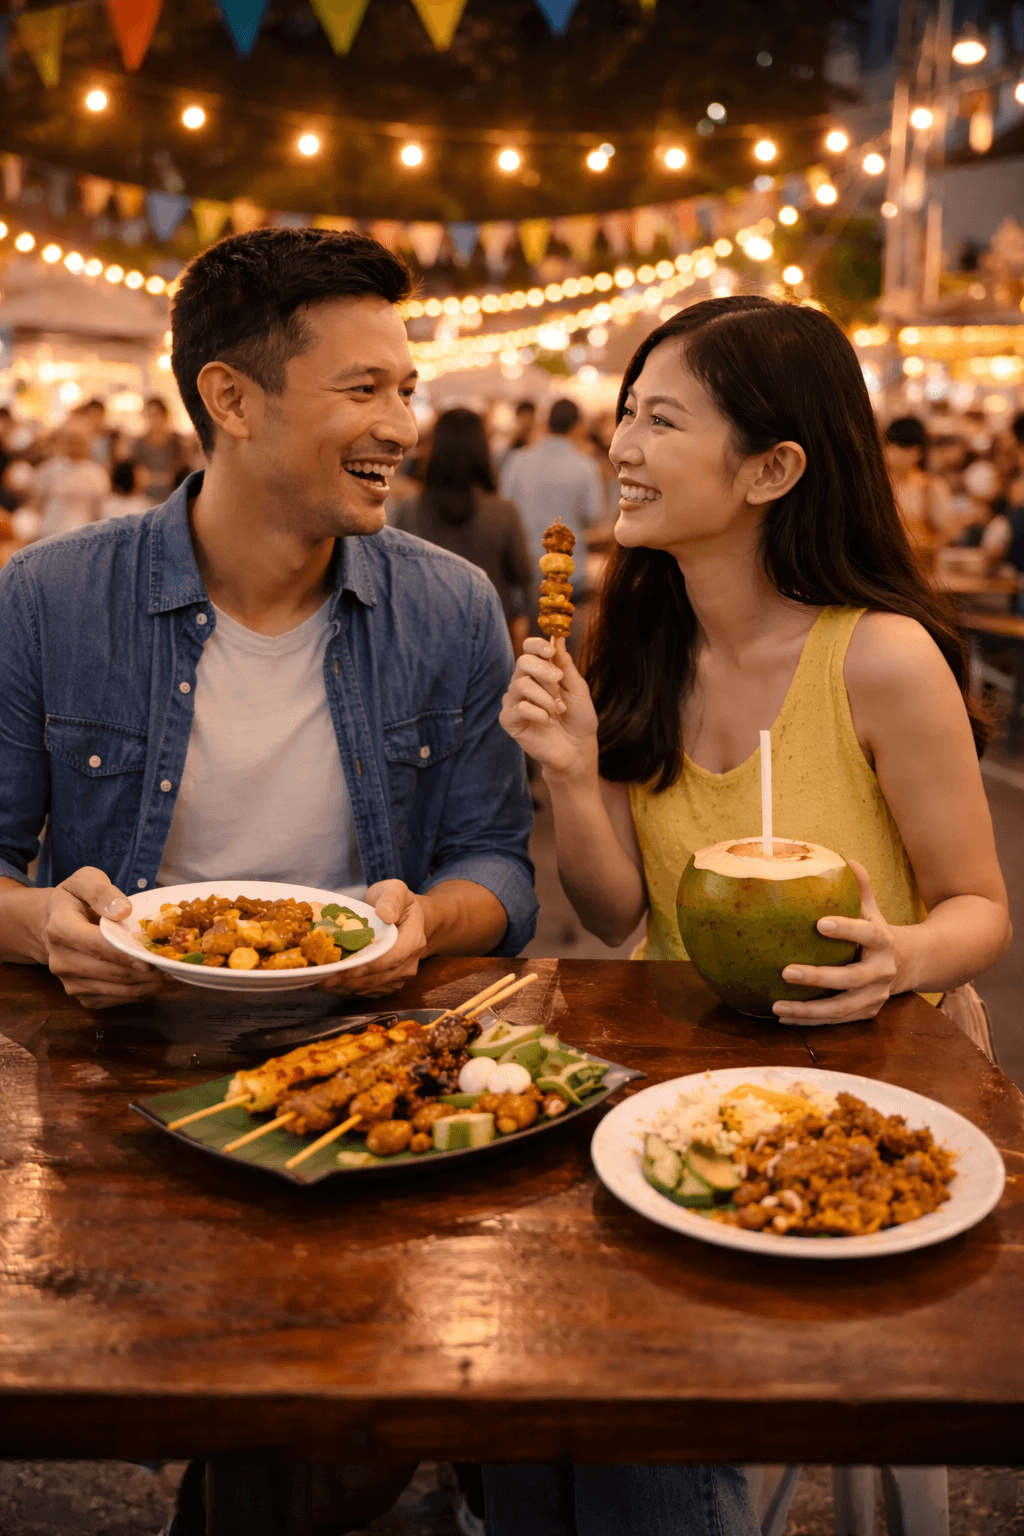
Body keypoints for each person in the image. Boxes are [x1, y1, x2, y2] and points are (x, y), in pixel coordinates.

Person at [497, 293, 1011, 1536]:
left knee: (642, 1364)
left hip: (875, 1081)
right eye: (624, 410)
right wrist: (568, 769)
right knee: (524, 1329)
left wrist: (898, 957)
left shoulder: (879, 658)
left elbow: (979, 908)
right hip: (686, 1070)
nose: (619, 442)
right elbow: (621, 918)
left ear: (774, 466)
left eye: (659, 419)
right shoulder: (643, 648)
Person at [0, 227, 537, 1013]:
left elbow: (498, 866)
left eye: (406, 390)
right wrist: (43, 924)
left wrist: (426, 919)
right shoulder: (51, 596)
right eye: (363, 390)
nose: (403, 427)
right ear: (233, 400)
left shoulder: (452, 607)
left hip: (368, 1041)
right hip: (120, 1044)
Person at [393, 407, 535, 655]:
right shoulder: (502, 513)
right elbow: (524, 578)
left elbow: (393, 580)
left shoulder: (410, 510)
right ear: (483, 448)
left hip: (423, 644)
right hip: (492, 644)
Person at [501, 397, 604, 572]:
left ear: (547, 424)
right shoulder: (586, 466)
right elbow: (593, 515)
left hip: (526, 563)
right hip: (568, 566)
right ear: (577, 426)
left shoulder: (517, 460)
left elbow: (505, 509)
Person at [883, 416, 955, 570]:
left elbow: (947, 530)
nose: (893, 451)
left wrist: (929, 549)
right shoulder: (879, 486)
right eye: (890, 445)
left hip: (921, 569)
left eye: (902, 447)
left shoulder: (933, 487)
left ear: (918, 452)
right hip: (886, 568)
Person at [32, 416, 110, 537]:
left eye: (78, 441)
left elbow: (99, 511)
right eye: (70, 441)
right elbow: (37, 504)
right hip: (49, 535)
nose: (74, 446)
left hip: (83, 537)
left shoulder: (97, 474)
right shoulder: (49, 469)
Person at [132, 396, 185, 502]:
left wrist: (152, 478)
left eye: (156, 415)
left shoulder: (176, 443)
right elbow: (140, 478)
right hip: (145, 500)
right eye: (149, 416)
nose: (153, 420)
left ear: (165, 415)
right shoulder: (139, 444)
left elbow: (176, 476)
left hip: (172, 499)